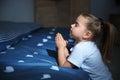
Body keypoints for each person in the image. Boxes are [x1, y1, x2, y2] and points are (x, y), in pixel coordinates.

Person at [55, 13, 115, 80]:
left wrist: (60, 47)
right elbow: (70, 59)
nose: (71, 25)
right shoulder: (85, 44)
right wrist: (64, 48)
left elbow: (63, 67)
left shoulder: (82, 47)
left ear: (87, 34)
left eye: (76, 24)